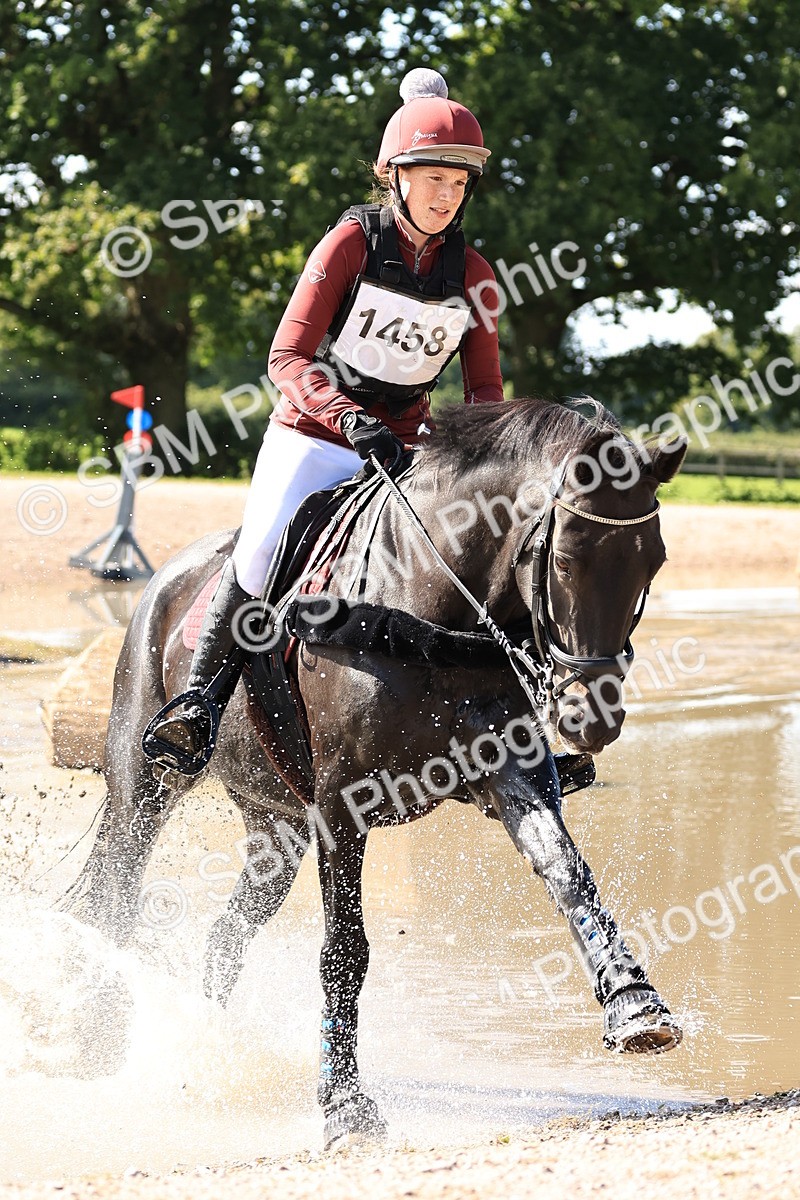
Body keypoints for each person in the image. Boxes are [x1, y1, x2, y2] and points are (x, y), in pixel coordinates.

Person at [143, 68, 504, 775]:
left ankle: (513, 724)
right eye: (433, 177)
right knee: (261, 550)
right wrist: (346, 416)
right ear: (394, 176)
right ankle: (198, 705)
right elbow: (286, 356)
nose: (447, 194)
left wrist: (472, 464)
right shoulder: (349, 245)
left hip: (406, 453)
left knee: (486, 553)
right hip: (313, 436)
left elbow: (485, 395)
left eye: (459, 183)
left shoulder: (476, 275)